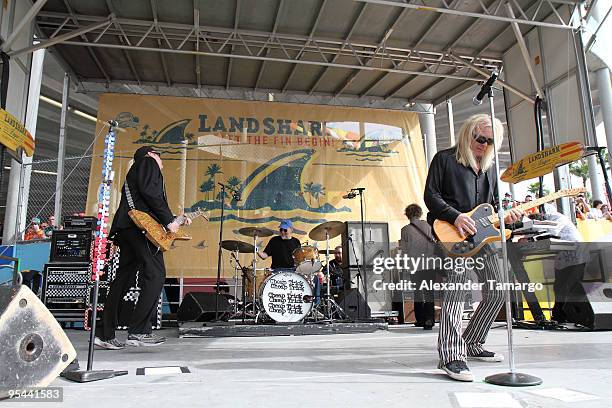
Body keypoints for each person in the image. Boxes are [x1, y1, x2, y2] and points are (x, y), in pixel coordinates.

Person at [424, 113, 522, 382]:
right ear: (468, 134)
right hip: (452, 233)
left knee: (499, 288)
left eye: (490, 141)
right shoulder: (445, 159)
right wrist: (455, 216)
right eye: (480, 138)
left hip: (483, 236)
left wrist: (507, 215)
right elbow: (430, 196)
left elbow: (492, 205)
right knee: (459, 289)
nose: (484, 144)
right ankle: (451, 355)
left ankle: (473, 341)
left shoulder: (490, 168)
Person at [96, 146, 189, 349]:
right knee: (156, 274)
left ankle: (105, 333)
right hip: (139, 230)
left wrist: (175, 219)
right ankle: (138, 330)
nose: (161, 160)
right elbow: (151, 193)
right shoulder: (147, 163)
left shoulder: (136, 170)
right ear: (150, 155)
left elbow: (146, 198)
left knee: (123, 279)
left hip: (127, 228)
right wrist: (168, 221)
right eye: (158, 155)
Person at [257, 220, 322, 305]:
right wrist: (257, 250)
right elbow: (264, 256)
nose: (282, 232)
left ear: (291, 229)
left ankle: (315, 305)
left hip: (293, 270)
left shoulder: (296, 242)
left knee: (315, 278)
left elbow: (301, 260)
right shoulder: (274, 240)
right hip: (277, 271)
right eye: (281, 230)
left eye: (285, 230)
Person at [400, 204, 437, 330]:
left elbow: (404, 251)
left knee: (418, 293)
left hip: (414, 266)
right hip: (429, 264)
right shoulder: (427, 226)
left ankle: (420, 319)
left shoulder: (405, 230)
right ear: (419, 213)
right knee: (428, 292)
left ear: (407, 214)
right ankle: (429, 319)